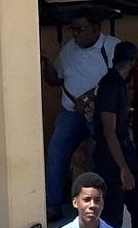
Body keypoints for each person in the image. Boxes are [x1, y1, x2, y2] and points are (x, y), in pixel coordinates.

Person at [44, 12, 123, 209]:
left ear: (96, 29)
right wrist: (46, 63)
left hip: (100, 113)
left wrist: (88, 97)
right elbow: (54, 81)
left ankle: (91, 206)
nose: (76, 34)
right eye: (73, 29)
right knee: (55, 153)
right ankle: (52, 205)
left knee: (95, 159)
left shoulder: (112, 46)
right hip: (72, 113)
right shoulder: (68, 50)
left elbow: (118, 79)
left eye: (81, 29)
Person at [91, 40, 138, 228]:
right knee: (112, 217)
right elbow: (109, 130)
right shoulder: (111, 85)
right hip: (111, 156)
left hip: (124, 149)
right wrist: (123, 168)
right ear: (133, 63)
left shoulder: (117, 83)